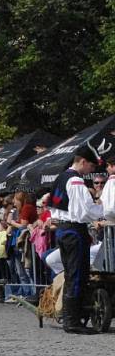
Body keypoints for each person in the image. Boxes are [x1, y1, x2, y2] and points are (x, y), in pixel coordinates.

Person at [48, 142, 105, 333]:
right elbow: (85, 211)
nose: (92, 170)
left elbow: (54, 207)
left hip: (63, 230)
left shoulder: (61, 177)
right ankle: (71, 321)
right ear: (82, 161)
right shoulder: (75, 181)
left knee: (71, 273)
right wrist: (103, 210)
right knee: (77, 274)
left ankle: (70, 317)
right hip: (74, 230)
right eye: (91, 165)